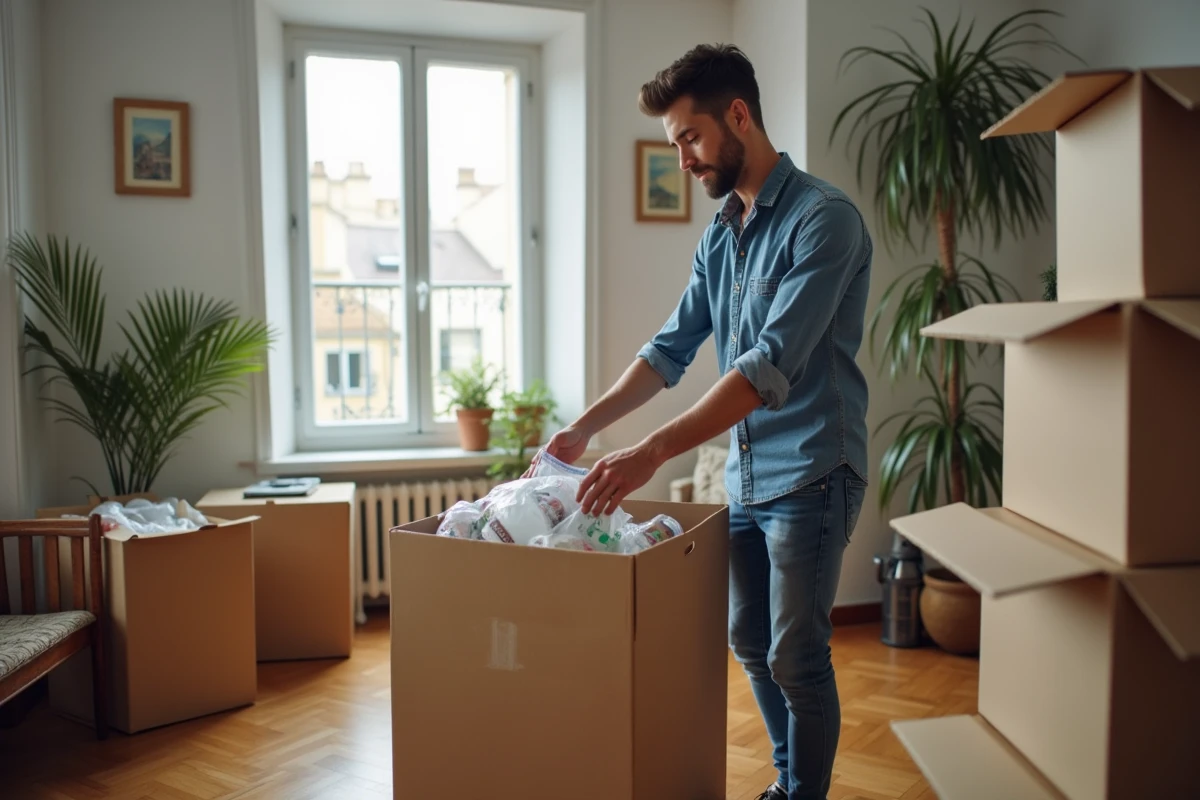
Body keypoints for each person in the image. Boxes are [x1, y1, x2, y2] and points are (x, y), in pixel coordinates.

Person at [527, 43, 871, 800]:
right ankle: (788, 783)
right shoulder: (722, 234)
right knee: (749, 641)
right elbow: (669, 350)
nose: (682, 159)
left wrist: (649, 452)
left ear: (737, 115)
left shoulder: (825, 221)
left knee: (796, 656)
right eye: (674, 143)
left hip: (814, 469)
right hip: (746, 475)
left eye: (689, 137)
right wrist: (584, 428)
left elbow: (765, 369)